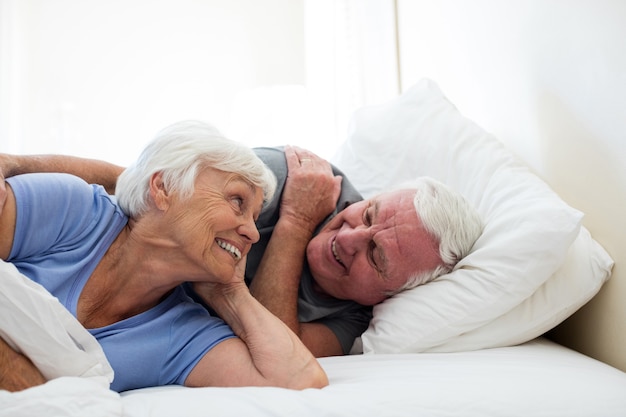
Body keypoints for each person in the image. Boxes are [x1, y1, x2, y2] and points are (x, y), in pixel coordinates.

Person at [0, 141, 483, 359]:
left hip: (156, 320)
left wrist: (294, 224)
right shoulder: (299, 180)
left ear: (387, 295)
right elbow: (149, 181)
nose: (349, 236)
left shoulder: (350, 319)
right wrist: (20, 162)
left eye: (377, 256)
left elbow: (277, 345)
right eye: (371, 213)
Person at [0, 120, 329, 392]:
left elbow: (300, 381)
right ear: (163, 188)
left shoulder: (185, 333)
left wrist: (232, 293)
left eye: (256, 219)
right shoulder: (75, 213)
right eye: (238, 201)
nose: (253, 234)